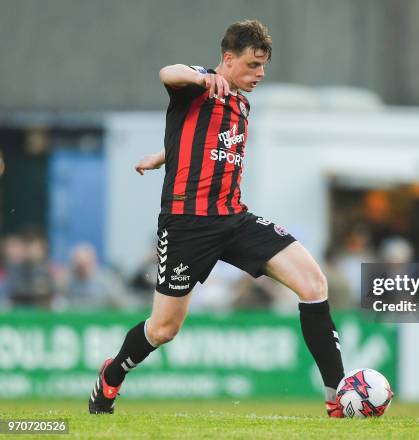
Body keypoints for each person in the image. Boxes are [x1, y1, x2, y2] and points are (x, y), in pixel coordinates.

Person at [89, 19, 346, 417]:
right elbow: (166, 73)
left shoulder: (241, 103)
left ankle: (337, 400)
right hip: (186, 226)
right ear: (228, 59)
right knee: (163, 330)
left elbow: (200, 142)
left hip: (234, 220)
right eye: (253, 65)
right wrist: (202, 77)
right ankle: (111, 377)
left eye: (263, 66)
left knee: (314, 283)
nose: (260, 74)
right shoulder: (196, 86)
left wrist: (162, 155)